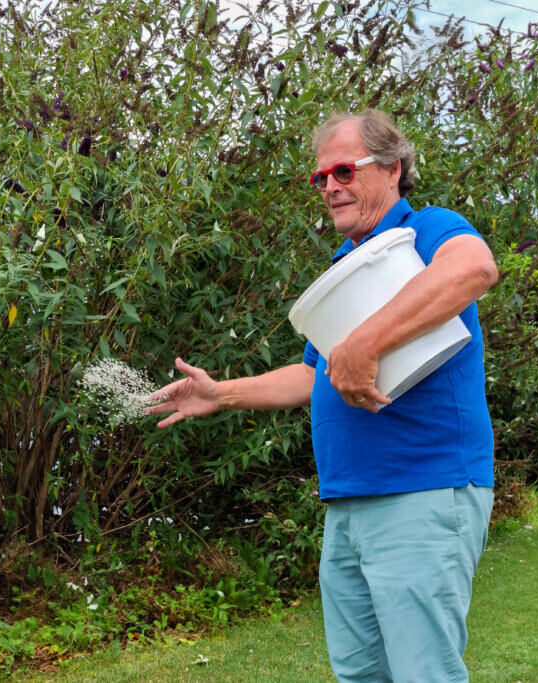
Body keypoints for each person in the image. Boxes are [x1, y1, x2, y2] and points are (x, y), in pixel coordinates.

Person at [145, 109, 498, 682]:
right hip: (350, 504)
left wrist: (366, 340)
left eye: (342, 170)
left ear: (392, 168)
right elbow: (316, 376)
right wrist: (220, 394)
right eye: (320, 178)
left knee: (423, 673)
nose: (330, 187)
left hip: (424, 491)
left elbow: (475, 269)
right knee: (359, 674)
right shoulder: (352, 265)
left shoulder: (427, 229)